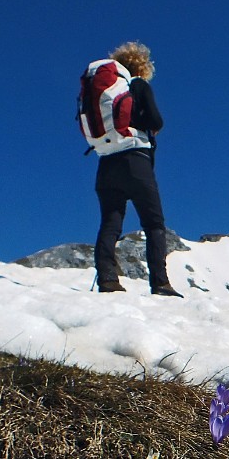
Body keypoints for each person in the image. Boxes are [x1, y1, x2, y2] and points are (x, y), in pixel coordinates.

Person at [92, 42, 182, 296]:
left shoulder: (109, 89)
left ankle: (108, 279)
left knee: (110, 222)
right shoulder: (138, 85)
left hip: (106, 163)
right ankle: (160, 282)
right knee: (154, 224)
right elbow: (156, 120)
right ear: (141, 66)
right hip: (136, 161)